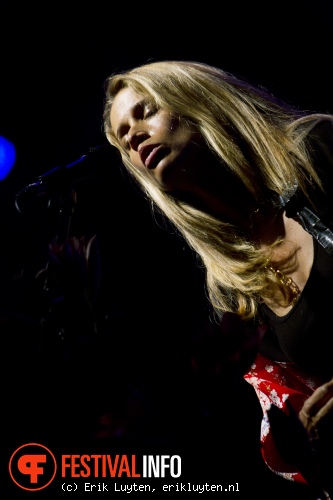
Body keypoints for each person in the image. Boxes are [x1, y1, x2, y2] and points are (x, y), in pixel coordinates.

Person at [102, 59, 333, 499]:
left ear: (196, 100)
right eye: (122, 137)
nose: (133, 135)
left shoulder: (317, 148)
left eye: (146, 111)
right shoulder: (232, 286)